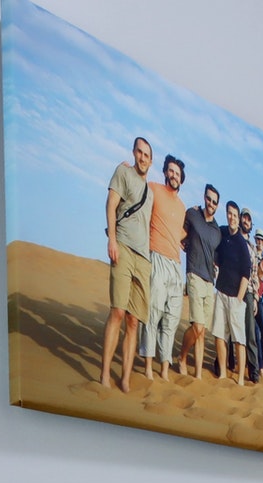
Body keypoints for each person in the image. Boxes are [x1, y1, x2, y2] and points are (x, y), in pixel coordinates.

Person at [99, 136, 155, 392]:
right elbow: (111, 204)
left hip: (143, 258)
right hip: (123, 246)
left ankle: (125, 379)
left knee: (134, 321)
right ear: (134, 153)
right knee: (118, 312)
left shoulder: (151, 193)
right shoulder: (123, 172)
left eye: (147, 155)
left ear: (151, 161)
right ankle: (104, 375)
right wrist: (112, 239)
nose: (142, 157)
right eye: (139, 152)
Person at [139, 155, 188, 380]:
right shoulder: (153, 189)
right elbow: (137, 194)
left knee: (171, 319)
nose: (173, 175)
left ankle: (165, 370)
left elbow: (181, 234)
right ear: (165, 172)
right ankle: (148, 367)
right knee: (153, 313)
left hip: (176, 266)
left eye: (177, 173)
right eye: (171, 171)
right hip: (156, 258)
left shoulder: (183, 207)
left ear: (181, 178)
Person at [177, 184, 222, 378]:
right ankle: (182, 357)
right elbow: (179, 230)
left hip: (209, 282)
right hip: (194, 274)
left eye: (214, 202)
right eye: (208, 199)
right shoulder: (192, 214)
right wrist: (181, 243)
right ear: (204, 198)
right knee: (197, 326)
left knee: (202, 331)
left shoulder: (217, 230)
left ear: (217, 205)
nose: (211, 203)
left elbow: (218, 255)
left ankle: (198, 376)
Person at [210, 203, 254, 385]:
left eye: (235, 215)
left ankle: (241, 378)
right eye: (229, 214)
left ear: (238, 218)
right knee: (219, 335)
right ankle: (222, 373)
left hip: (236, 297)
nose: (232, 218)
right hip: (221, 292)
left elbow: (246, 273)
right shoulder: (222, 232)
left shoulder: (242, 244)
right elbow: (210, 226)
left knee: (238, 340)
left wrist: (239, 299)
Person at [246, 231, 263, 383]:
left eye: (262, 240)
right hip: (246, 297)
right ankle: (256, 367)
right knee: (256, 333)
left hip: (258, 303)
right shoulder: (252, 254)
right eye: (258, 239)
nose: (259, 242)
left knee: (262, 333)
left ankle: (260, 365)